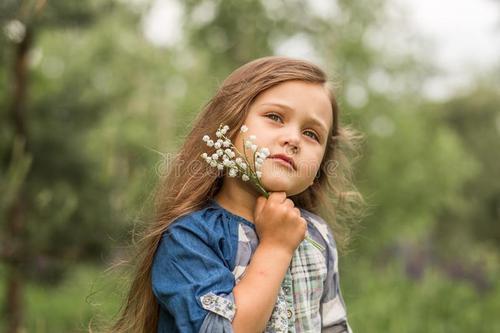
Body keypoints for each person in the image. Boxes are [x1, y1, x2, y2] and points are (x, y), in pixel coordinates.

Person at [112, 56, 363, 332]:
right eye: (275, 117)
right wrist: (276, 246)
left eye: (311, 134)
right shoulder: (189, 237)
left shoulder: (317, 236)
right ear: (230, 123)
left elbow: (334, 326)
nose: (293, 139)